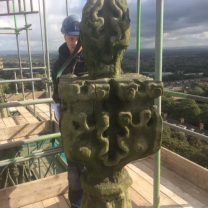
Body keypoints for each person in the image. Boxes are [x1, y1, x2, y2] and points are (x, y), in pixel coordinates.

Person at [51, 15, 86, 208]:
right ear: (64, 37)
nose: (73, 41)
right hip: (68, 118)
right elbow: (56, 92)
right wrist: (57, 107)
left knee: (90, 159)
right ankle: (76, 202)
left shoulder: (91, 61)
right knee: (73, 163)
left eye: (76, 37)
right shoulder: (58, 65)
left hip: (90, 118)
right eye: (70, 37)